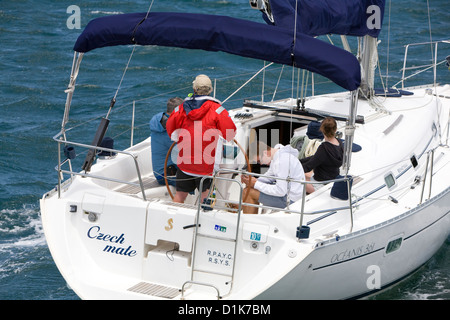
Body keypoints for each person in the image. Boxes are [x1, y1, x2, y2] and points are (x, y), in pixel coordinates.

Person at [166, 74, 237, 203]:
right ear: (210, 90)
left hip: (185, 163)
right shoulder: (218, 109)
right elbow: (230, 133)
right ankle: (205, 219)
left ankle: (173, 220)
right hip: (206, 167)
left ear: (194, 89)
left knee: (180, 195)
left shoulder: (181, 108)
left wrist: (177, 137)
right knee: (206, 198)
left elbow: (170, 126)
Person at [240, 143, 308, 214]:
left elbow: (281, 191)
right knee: (250, 187)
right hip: (289, 194)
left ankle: (250, 223)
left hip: (291, 200)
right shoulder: (278, 156)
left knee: (248, 192)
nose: (260, 164)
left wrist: (255, 184)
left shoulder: (281, 161)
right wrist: (251, 181)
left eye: (259, 160)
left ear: (265, 152)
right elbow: (269, 177)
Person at [300, 117, 344, 192]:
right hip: (334, 179)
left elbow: (309, 166)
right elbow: (316, 158)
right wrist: (299, 161)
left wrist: (293, 168)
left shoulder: (324, 148)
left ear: (322, 130)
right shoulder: (339, 143)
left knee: (297, 181)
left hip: (320, 183)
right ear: (335, 129)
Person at [150, 97, 184, 186]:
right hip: (167, 175)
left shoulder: (160, 122)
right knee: (201, 180)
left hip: (163, 171)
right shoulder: (169, 131)